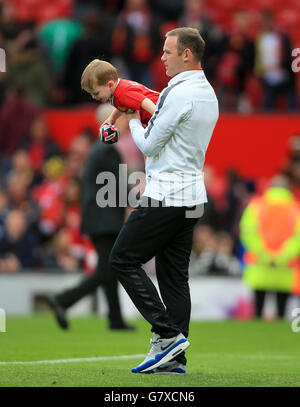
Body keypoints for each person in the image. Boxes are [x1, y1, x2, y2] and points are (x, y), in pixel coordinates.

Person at [109, 27, 219, 374]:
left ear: (187, 54)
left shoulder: (181, 92)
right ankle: (175, 359)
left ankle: (167, 335)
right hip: (192, 196)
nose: (162, 57)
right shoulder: (207, 92)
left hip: (167, 194)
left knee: (122, 258)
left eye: (167, 51)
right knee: (174, 278)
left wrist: (130, 124)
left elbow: (151, 144)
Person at [46, 140, 135, 331]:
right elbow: (117, 183)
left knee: (109, 270)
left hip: (99, 219)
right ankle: (62, 300)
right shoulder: (107, 150)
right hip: (105, 221)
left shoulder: (98, 149)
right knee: (106, 270)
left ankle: (115, 319)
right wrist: (140, 199)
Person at [239, 176, 300, 319]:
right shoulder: (295, 209)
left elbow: (247, 232)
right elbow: (297, 238)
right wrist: (282, 256)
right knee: (281, 311)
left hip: (259, 265)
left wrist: (264, 254)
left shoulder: (256, 206)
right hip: (285, 267)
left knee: (258, 310)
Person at [81, 59, 160, 128]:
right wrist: (111, 119)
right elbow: (122, 105)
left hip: (159, 108)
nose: (93, 97)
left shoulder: (123, 93)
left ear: (110, 85)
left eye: (96, 93)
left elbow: (145, 101)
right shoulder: (117, 91)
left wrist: (158, 117)